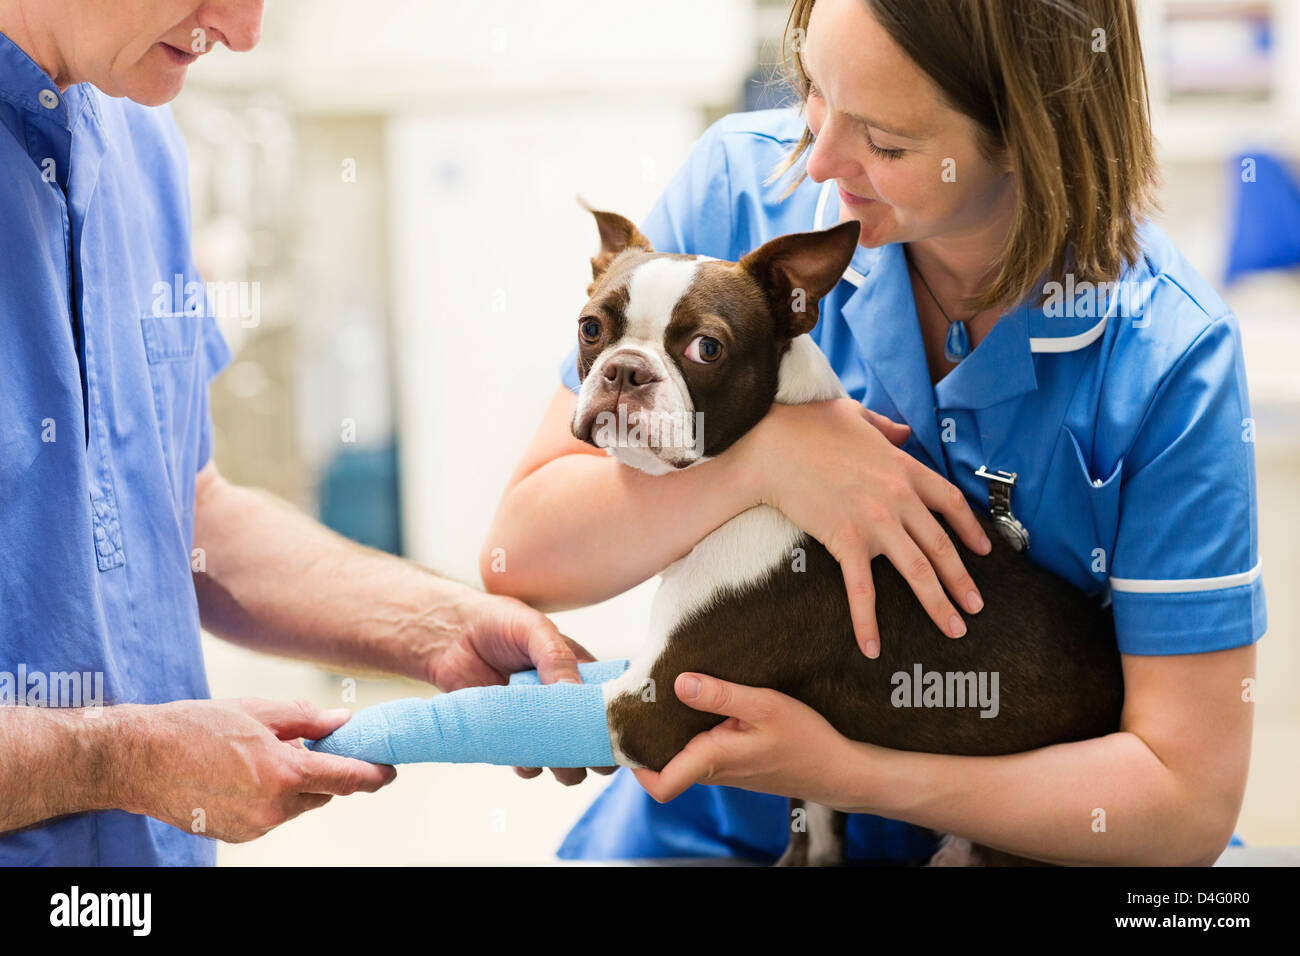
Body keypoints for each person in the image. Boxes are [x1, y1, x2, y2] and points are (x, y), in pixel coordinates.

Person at [484, 0, 1265, 865]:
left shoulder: (1164, 352)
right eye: (813, 88)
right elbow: (524, 553)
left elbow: (1183, 803)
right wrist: (770, 460)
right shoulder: (745, 189)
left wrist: (852, 771)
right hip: (711, 831)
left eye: (885, 142)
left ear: (1025, 134)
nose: (818, 160)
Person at [0, 0, 592, 866]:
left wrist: (436, 626)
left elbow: (185, 514)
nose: (244, 31)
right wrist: (116, 759)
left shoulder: (137, 137)